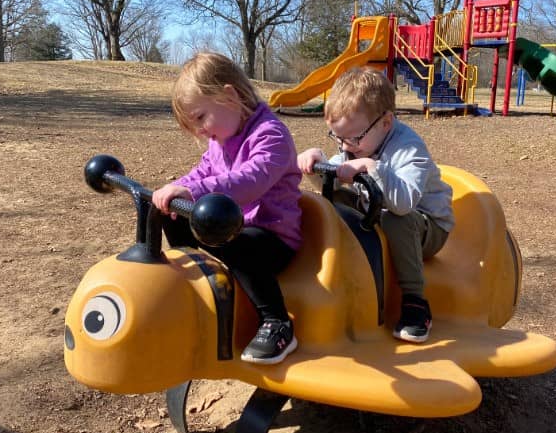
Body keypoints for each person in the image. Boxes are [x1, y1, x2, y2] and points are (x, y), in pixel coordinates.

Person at [152, 52, 302, 364]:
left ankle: (277, 322)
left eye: (200, 118)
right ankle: (195, 286)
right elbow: (200, 173)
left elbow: (250, 181)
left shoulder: (271, 135)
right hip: (232, 227)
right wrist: (175, 189)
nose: (200, 132)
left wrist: (192, 190)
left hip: (271, 236)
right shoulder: (219, 142)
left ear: (229, 96)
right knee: (175, 213)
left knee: (236, 244)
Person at [297, 67, 454, 343]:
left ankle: (415, 303)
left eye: (353, 138)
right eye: (337, 137)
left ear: (385, 123)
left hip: (425, 226)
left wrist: (372, 167)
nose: (345, 145)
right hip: (379, 210)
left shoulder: (408, 148)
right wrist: (317, 166)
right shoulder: (358, 141)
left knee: (396, 219)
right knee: (333, 203)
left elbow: (403, 205)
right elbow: (333, 183)